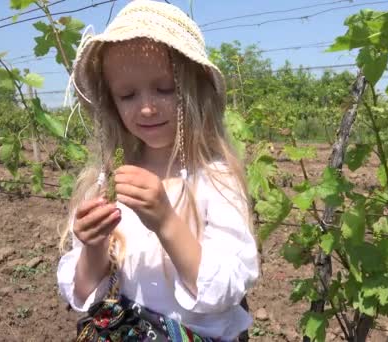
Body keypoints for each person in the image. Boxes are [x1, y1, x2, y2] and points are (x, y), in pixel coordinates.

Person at [56, 1, 259, 340]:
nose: (147, 107)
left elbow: (228, 287)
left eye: (165, 89)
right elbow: (82, 291)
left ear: (194, 90)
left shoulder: (213, 178)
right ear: (112, 102)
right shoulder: (107, 181)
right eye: (127, 95)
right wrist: (93, 246)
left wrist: (166, 221)